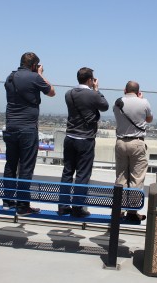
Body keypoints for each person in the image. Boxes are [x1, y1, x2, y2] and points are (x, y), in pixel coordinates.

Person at [3, 52, 55, 215]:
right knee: (26, 167)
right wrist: (39, 74)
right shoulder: (35, 77)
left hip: (11, 126)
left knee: (11, 164)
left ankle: (8, 201)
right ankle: (23, 205)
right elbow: (51, 92)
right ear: (34, 65)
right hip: (28, 129)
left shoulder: (10, 77)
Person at [58, 67, 109, 217]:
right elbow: (104, 106)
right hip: (85, 139)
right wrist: (97, 89)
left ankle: (63, 206)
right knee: (82, 175)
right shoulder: (92, 94)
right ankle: (77, 208)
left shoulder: (69, 94)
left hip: (70, 138)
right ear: (90, 80)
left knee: (67, 172)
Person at [113, 81, 153, 222]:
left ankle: (119, 209)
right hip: (137, 142)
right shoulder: (144, 102)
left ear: (125, 90)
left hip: (121, 142)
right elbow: (149, 119)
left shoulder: (117, 103)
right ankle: (132, 211)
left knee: (121, 176)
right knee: (137, 177)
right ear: (138, 91)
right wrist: (140, 100)